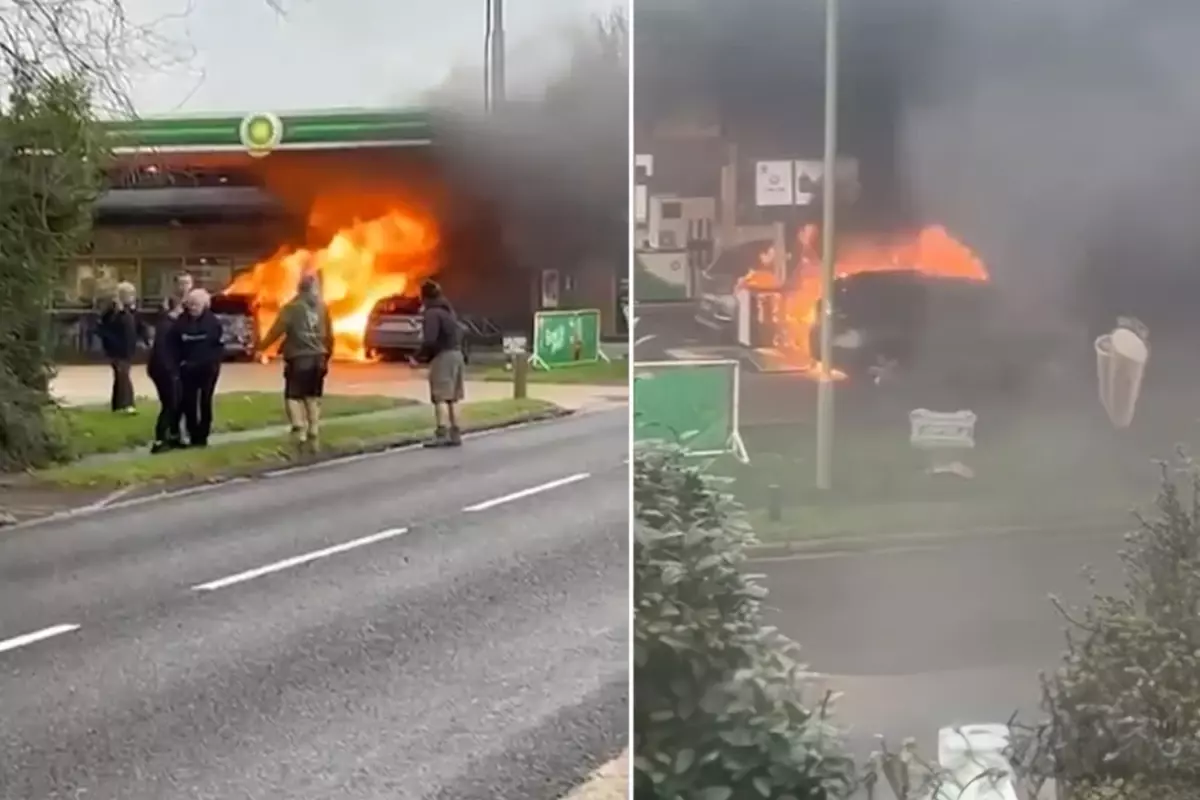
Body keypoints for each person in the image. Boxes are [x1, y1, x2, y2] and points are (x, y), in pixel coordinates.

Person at [258, 272, 334, 450]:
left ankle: (298, 427)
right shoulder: (323, 307)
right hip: (319, 357)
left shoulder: (292, 308)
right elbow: (330, 335)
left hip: (299, 356)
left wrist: (261, 346)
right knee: (312, 396)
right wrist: (328, 355)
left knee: (293, 395)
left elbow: (277, 330)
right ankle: (314, 428)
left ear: (299, 288)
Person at [413, 279, 466, 448]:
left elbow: (430, 340)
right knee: (453, 398)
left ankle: (441, 434)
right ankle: (455, 433)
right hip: (457, 355)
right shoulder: (447, 311)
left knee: (440, 397)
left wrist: (418, 357)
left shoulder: (432, 313)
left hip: (443, 356)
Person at [170, 288, 224, 448]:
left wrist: (211, 363)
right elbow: (175, 342)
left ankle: (203, 434)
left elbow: (215, 345)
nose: (193, 308)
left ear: (205, 305)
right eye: (191, 304)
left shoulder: (212, 322)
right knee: (189, 401)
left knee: (205, 401)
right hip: (187, 368)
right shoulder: (181, 321)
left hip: (207, 368)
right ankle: (193, 432)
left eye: (197, 305)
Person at [146, 274, 193, 453]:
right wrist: (170, 369)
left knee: (179, 402)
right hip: (165, 368)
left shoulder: (179, 317)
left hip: (175, 366)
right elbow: (163, 346)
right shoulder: (167, 320)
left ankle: (174, 435)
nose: (185, 287)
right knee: (171, 403)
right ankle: (160, 440)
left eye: (187, 283)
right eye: (181, 283)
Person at [96, 281, 146, 414]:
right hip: (116, 348)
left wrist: (144, 339)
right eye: (127, 294)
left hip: (128, 348)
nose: (131, 296)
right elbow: (104, 326)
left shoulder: (132, 311)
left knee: (121, 375)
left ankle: (118, 404)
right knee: (123, 374)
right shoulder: (113, 311)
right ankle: (127, 403)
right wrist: (118, 312)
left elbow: (139, 326)